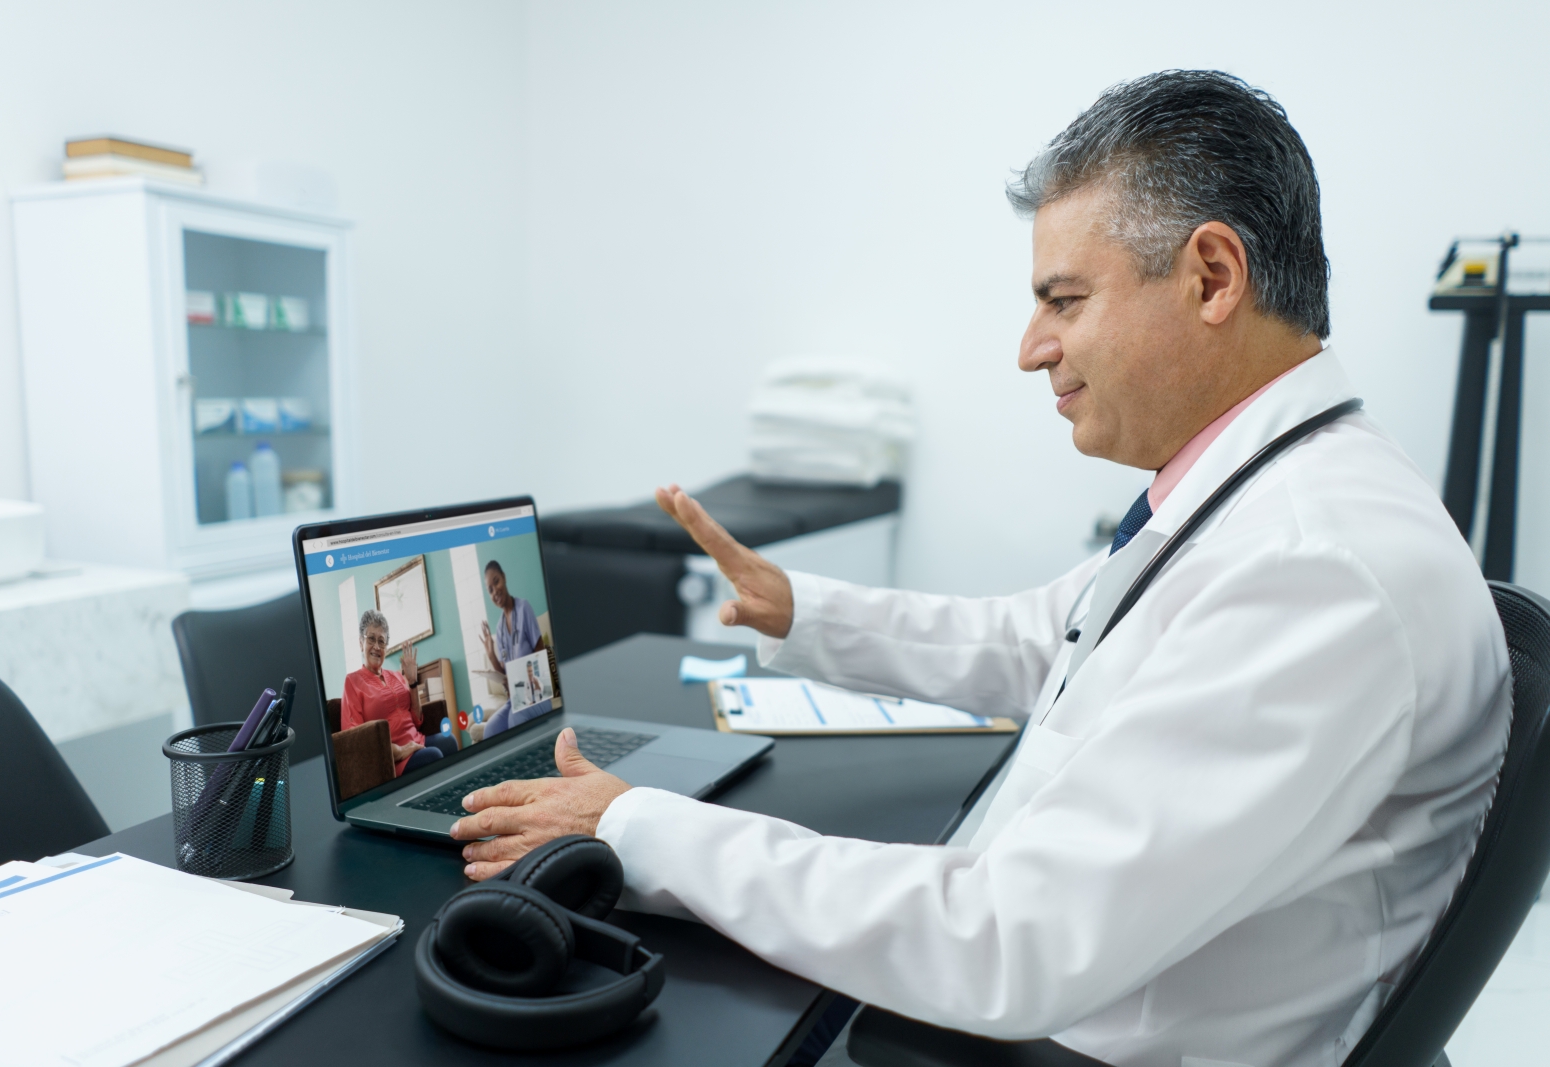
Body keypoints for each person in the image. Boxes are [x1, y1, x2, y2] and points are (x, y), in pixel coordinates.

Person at [445, 71, 1510, 1067]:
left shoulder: (1312, 563)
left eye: (1064, 298)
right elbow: (1048, 636)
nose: (1030, 346)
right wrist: (797, 606)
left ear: (1212, 276)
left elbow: (1006, 942)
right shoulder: (1263, 497)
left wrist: (630, 822)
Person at [341, 609, 456, 776]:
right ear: (361, 642)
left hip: (417, 741)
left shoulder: (395, 676)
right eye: (371, 639)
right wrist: (400, 750)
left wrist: (412, 683)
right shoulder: (352, 682)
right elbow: (355, 739)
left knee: (449, 741)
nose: (376, 646)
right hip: (395, 757)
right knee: (435, 756)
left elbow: (416, 721)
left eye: (382, 641)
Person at [478, 560, 543, 673]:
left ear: (504, 577)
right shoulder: (499, 629)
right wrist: (491, 655)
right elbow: (505, 675)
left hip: (532, 683)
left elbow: (540, 651)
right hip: (514, 689)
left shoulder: (523, 608)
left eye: (496, 581)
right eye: (490, 590)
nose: (495, 591)